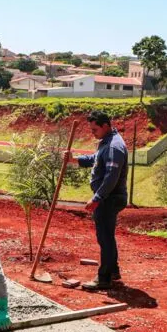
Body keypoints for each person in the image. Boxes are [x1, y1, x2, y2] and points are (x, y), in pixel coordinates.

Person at [66, 111, 128, 291]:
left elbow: (111, 176)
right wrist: (74, 160)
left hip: (109, 198)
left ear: (105, 125)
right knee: (107, 236)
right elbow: (95, 160)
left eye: (95, 129)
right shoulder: (107, 142)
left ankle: (104, 278)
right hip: (108, 198)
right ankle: (113, 271)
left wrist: (97, 198)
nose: (92, 133)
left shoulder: (113, 146)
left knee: (105, 237)